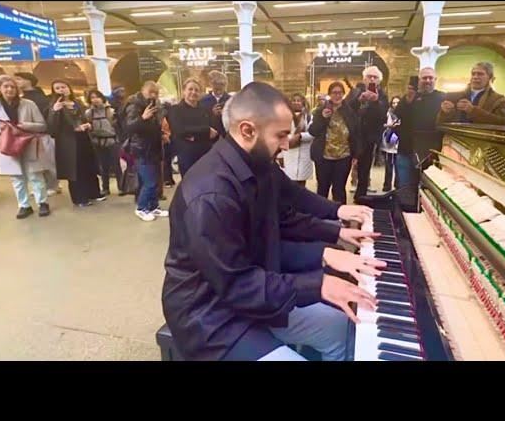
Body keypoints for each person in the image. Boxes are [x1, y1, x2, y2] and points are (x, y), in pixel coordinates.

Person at [162, 81, 383, 361]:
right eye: (279, 136)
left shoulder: (259, 164)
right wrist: (318, 283)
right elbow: (236, 284)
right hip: (210, 315)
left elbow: (285, 216)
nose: (285, 145)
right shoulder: (211, 194)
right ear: (247, 130)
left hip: (251, 294)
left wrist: (330, 240)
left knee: (342, 328)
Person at [0, 75, 51, 218]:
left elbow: (42, 125)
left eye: (13, 87)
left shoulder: (29, 104)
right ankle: (24, 205)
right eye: (6, 87)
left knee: (35, 175)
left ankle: (43, 203)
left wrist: (23, 126)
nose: (10, 89)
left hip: (28, 143)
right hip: (7, 145)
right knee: (16, 177)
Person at [47, 80, 105, 207]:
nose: (61, 90)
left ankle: (94, 193)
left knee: (88, 166)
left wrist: (87, 124)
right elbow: (52, 129)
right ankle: (80, 198)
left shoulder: (77, 103)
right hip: (68, 143)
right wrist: (55, 112)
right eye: (57, 88)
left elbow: (84, 117)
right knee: (75, 170)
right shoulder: (54, 106)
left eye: (63, 86)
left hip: (84, 138)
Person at [309, 81, 360, 204]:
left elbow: (356, 133)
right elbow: (313, 131)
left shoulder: (349, 111)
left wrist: (356, 154)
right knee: (322, 187)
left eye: (340, 93)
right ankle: (321, 217)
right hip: (324, 156)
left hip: (343, 156)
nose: (337, 95)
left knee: (339, 189)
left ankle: (340, 217)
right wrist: (322, 118)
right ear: (329, 94)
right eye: (334, 93)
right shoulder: (320, 111)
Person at [124, 81, 168, 221]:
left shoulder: (156, 106)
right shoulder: (134, 106)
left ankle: (154, 206)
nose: (153, 95)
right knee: (149, 182)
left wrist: (161, 135)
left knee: (155, 180)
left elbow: (154, 127)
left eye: (156, 92)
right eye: (151, 91)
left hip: (154, 148)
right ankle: (141, 208)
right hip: (142, 150)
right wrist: (143, 118)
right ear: (143, 91)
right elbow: (129, 128)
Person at [394, 70, 444, 193]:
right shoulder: (408, 98)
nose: (427, 81)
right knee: (405, 189)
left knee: (427, 190)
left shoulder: (442, 98)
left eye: (430, 78)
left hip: (430, 154)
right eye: (424, 78)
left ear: (435, 80)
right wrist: (408, 102)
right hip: (406, 149)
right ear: (419, 80)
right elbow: (398, 115)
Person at [13, 72, 62, 196]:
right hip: (28, 135)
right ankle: (43, 186)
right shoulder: (21, 98)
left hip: (44, 134)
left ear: (28, 81)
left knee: (49, 162)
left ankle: (53, 185)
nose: (16, 82)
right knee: (36, 163)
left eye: (19, 79)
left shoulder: (40, 98)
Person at [347, 66, 388, 202]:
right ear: (364, 79)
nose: (371, 79)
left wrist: (375, 101)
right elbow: (345, 109)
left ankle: (361, 196)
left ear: (379, 81)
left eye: (375, 77)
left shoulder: (382, 95)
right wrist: (359, 100)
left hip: (369, 138)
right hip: (351, 136)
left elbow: (382, 117)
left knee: (364, 169)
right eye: (369, 76)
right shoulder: (355, 92)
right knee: (344, 166)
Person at [166, 78, 219, 177]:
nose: (193, 92)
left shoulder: (205, 110)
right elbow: (179, 131)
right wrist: (205, 131)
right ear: (184, 91)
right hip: (187, 156)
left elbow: (215, 132)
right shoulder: (176, 110)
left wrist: (193, 135)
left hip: (205, 155)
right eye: (190, 89)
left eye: (196, 90)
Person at [437, 62, 505, 126]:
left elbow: (503, 123)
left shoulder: (499, 100)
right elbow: (440, 123)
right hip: (455, 138)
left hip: (480, 139)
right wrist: (445, 113)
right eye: (473, 74)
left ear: (489, 77)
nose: (475, 77)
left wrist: (473, 111)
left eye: (480, 74)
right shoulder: (455, 96)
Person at [85, 90, 118, 197]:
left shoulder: (111, 111)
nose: (95, 99)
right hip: (97, 142)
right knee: (104, 167)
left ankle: (122, 187)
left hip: (112, 141)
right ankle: (105, 188)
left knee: (117, 165)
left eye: (97, 97)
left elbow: (117, 127)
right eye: (92, 97)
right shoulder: (89, 113)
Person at [282, 93, 314, 186]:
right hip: (289, 153)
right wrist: (291, 140)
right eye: (294, 100)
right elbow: (281, 134)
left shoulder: (309, 117)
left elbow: (313, 133)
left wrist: (300, 136)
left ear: (303, 102)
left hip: (304, 155)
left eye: (298, 100)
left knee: (301, 185)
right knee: (288, 184)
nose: (296, 102)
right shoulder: (285, 116)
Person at [200, 70, 231, 138]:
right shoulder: (203, 101)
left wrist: (225, 114)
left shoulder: (231, 100)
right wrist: (212, 114)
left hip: (227, 137)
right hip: (209, 138)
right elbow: (201, 121)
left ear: (225, 85)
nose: (218, 91)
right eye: (216, 88)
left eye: (221, 87)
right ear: (212, 84)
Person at [381, 96, 400, 192]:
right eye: (394, 103)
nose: (395, 104)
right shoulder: (388, 113)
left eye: (397, 102)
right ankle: (387, 185)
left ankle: (398, 186)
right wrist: (390, 126)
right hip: (388, 145)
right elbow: (381, 124)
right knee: (389, 166)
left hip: (399, 145)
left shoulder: (403, 113)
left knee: (398, 167)